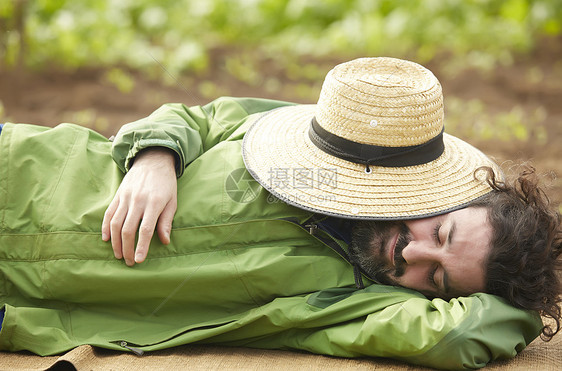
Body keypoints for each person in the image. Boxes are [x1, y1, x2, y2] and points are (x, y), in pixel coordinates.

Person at [0, 57, 559, 369]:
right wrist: (155, 155)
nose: (412, 253)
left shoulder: (356, 304)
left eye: (435, 277)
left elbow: (461, 338)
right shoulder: (310, 139)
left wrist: (525, 301)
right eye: (438, 231)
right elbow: (204, 117)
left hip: (20, 298)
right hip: (20, 167)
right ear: (441, 196)